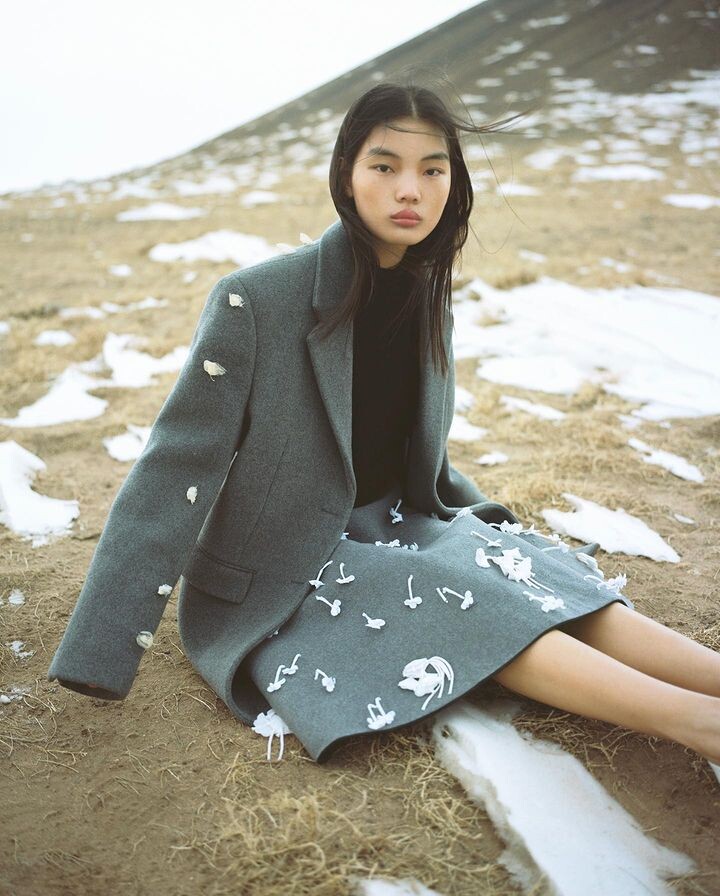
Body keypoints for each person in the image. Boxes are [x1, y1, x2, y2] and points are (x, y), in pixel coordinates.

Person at [48, 78, 720, 778]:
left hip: (400, 521)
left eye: (432, 170)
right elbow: (174, 470)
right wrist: (100, 650)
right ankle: (700, 724)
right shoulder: (257, 299)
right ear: (346, 173)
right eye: (384, 166)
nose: (410, 190)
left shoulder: (427, 293)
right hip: (287, 567)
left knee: (541, 582)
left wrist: (487, 532)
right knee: (473, 608)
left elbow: (413, 454)